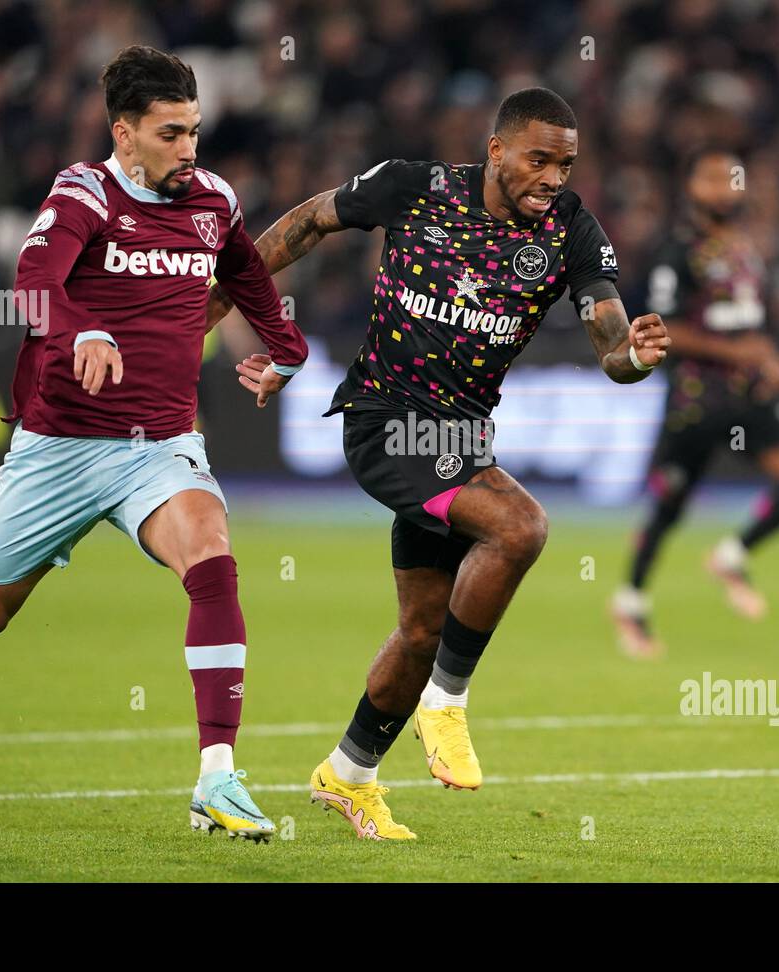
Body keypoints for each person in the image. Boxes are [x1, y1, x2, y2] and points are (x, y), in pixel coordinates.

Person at [213, 87, 670, 839]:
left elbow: (610, 340)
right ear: (495, 151)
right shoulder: (414, 186)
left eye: (565, 163)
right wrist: (229, 302)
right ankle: (447, 704)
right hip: (384, 421)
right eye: (539, 159)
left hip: (461, 442)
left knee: (422, 631)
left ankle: (349, 774)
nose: (553, 177)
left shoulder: (569, 229)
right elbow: (305, 223)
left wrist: (634, 357)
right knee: (520, 527)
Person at [0, 46, 309, 843]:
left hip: (158, 445)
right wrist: (82, 325)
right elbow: (31, 284)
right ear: (124, 135)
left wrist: (287, 350)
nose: (189, 149)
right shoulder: (82, 193)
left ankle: (217, 777)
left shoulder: (213, 201)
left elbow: (251, 281)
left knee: (213, 557)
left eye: (194, 131)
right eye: (170, 134)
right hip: (57, 447)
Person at [611, 149, 779, 659]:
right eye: (714, 179)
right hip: (697, 397)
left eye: (733, 179)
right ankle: (631, 600)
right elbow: (667, 328)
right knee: (670, 504)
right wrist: (739, 352)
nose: (726, 188)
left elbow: (742, 323)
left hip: (747, 391)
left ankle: (732, 553)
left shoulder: (745, 248)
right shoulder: (676, 251)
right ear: (693, 187)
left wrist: (766, 355)